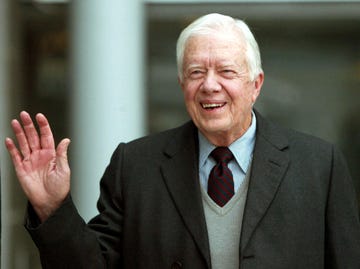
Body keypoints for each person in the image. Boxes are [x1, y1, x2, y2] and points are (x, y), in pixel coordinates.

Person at [5, 13, 360, 269]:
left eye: (226, 71)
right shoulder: (136, 166)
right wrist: (53, 210)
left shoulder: (318, 165)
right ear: (182, 86)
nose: (209, 85)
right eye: (195, 72)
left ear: (256, 85)